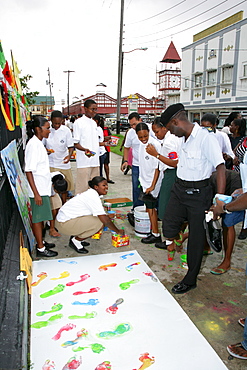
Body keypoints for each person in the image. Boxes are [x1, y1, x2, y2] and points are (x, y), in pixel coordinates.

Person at [160, 103, 225, 294]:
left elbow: (220, 167)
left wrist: (219, 200)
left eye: (170, 129)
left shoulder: (206, 138)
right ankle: (177, 238)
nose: (171, 133)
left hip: (199, 194)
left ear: (175, 122)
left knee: (196, 239)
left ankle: (190, 279)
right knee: (169, 225)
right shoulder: (184, 139)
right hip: (180, 189)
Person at [145, 117, 188, 256]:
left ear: (164, 128)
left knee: (165, 210)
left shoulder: (169, 141)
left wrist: (156, 154)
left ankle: (173, 239)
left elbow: (174, 162)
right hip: (176, 173)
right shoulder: (175, 138)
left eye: (157, 132)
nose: (156, 135)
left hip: (171, 174)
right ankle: (174, 238)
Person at [55, 176, 124, 254]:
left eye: (107, 185)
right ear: (96, 187)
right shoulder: (92, 196)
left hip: (66, 221)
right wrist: (118, 231)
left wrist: (108, 216)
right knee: (100, 223)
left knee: (99, 218)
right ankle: (76, 241)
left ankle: (78, 236)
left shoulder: (91, 193)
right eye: (104, 185)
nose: (107, 187)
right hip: (64, 224)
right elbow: (106, 221)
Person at [25, 115, 58, 258]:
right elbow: (29, 171)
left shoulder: (39, 143)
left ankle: (41, 242)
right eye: (47, 128)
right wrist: (36, 194)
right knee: (38, 220)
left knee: (42, 218)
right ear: (38, 129)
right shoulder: (33, 145)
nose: (49, 131)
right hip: (37, 190)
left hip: (42, 188)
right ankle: (40, 247)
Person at [209, 170, 244, 274]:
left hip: (235, 188)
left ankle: (227, 261)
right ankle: (206, 247)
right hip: (217, 186)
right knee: (208, 217)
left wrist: (219, 208)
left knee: (228, 223)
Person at [135, 122, 162, 244]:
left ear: (149, 133)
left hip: (153, 182)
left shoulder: (154, 145)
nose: (143, 139)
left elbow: (157, 168)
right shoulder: (140, 145)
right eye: (140, 137)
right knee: (148, 208)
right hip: (144, 181)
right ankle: (153, 231)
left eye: (145, 136)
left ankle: (156, 234)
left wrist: (152, 185)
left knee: (152, 209)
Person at [43, 110, 74, 204]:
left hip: (63, 163)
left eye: (59, 123)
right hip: (51, 163)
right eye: (55, 123)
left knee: (64, 187)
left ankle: (64, 204)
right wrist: (46, 151)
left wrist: (69, 156)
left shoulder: (66, 130)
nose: (57, 125)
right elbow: (42, 145)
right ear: (51, 120)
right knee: (53, 188)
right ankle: (54, 206)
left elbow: (71, 146)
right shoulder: (47, 130)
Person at [121, 112, 144, 225]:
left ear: (140, 119)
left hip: (150, 166)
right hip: (136, 165)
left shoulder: (149, 129)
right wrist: (126, 161)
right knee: (136, 189)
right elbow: (126, 148)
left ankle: (153, 211)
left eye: (135, 124)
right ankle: (137, 211)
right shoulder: (130, 133)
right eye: (131, 125)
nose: (133, 127)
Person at [73, 99, 100, 194]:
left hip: (95, 161)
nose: (94, 112)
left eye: (96, 109)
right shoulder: (78, 122)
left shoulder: (93, 123)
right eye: (92, 109)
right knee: (82, 189)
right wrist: (85, 150)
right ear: (85, 109)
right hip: (84, 162)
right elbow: (75, 143)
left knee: (95, 189)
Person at [93, 114, 114, 183]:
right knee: (98, 171)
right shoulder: (97, 129)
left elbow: (97, 141)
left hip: (101, 152)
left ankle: (101, 185)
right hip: (99, 152)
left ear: (95, 121)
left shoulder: (98, 129)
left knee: (99, 171)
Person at [48, 172, 68, 238]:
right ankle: (51, 229)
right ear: (53, 186)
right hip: (46, 194)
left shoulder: (61, 178)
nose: (60, 193)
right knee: (53, 211)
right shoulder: (47, 183)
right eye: (58, 192)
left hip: (53, 194)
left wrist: (64, 204)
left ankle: (53, 223)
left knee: (59, 207)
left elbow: (64, 192)